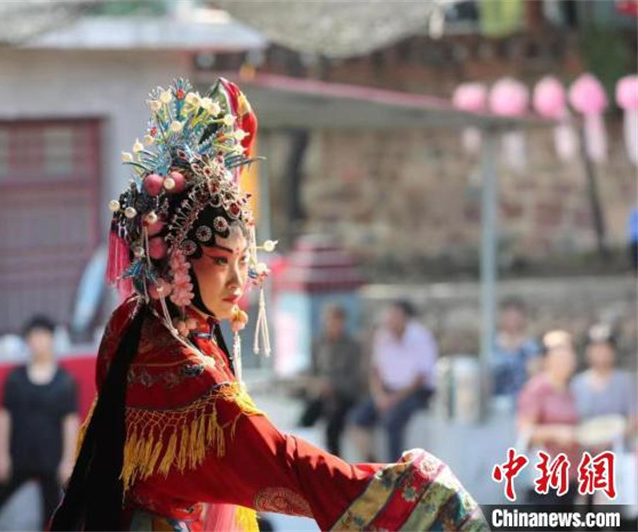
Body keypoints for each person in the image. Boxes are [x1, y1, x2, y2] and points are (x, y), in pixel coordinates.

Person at [48, 78, 487, 531]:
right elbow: (274, 460)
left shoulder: (143, 322)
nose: (238, 280)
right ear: (177, 260)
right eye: (221, 261)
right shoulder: (177, 362)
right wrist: (400, 493)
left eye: (244, 260)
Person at [0, 316, 80, 530]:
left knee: (54, 516)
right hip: (18, 456)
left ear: (51, 339)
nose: (38, 342)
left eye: (42, 337)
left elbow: (70, 421)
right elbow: (4, 417)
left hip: (51, 460)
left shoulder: (65, 382)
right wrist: (2, 456)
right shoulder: (15, 379)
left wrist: (68, 461)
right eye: (33, 337)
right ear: (27, 341)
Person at [348, 300, 437, 463]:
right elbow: (375, 371)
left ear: (406, 318)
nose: (390, 320)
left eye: (395, 316)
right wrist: (379, 396)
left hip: (415, 392)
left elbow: (420, 378)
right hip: (387, 392)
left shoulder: (421, 337)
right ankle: (373, 464)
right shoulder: (382, 336)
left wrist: (393, 399)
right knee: (356, 418)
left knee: (392, 421)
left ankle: (396, 468)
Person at [516, 330, 580, 505]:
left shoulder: (570, 391)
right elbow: (525, 431)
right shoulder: (536, 389)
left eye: (568, 352)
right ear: (546, 358)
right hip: (544, 477)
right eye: (559, 352)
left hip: (569, 476)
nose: (565, 358)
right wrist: (557, 433)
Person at [298, 304, 365, 457]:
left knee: (333, 429)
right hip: (321, 396)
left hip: (344, 398)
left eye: (337, 320)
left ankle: (336, 466)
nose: (333, 325)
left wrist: (333, 385)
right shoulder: (318, 344)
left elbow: (356, 380)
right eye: (330, 320)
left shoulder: (352, 346)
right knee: (304, 423)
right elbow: (313, 372)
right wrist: (317, 385)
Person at [570, 324, 637, 434]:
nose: (601, 352)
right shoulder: (577, 383)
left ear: (613, 352)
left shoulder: (625, 382)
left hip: (618, 440)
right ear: (588, 352)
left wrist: (614, 434)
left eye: (606, 348)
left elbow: (634, 418)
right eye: (596, 348)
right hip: (585, 440)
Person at [491, 297, 542, 398]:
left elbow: (536, 377)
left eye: (516, 317)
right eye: (509, 317)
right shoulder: (491, 345)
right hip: (496, 400)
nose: (512, 321)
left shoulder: (531, 347)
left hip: (524, 399)